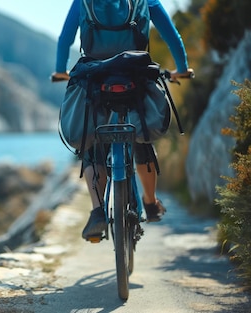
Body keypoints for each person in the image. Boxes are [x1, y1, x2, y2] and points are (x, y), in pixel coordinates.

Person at [51, 0, 195, 239]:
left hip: (95, 75)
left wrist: (59, 70)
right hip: (135, 72)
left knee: (93, 143)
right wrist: (182, 68)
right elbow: (171, 35)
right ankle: (150, 202)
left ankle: (98, 211)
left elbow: (65, 39)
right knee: (141, 136)